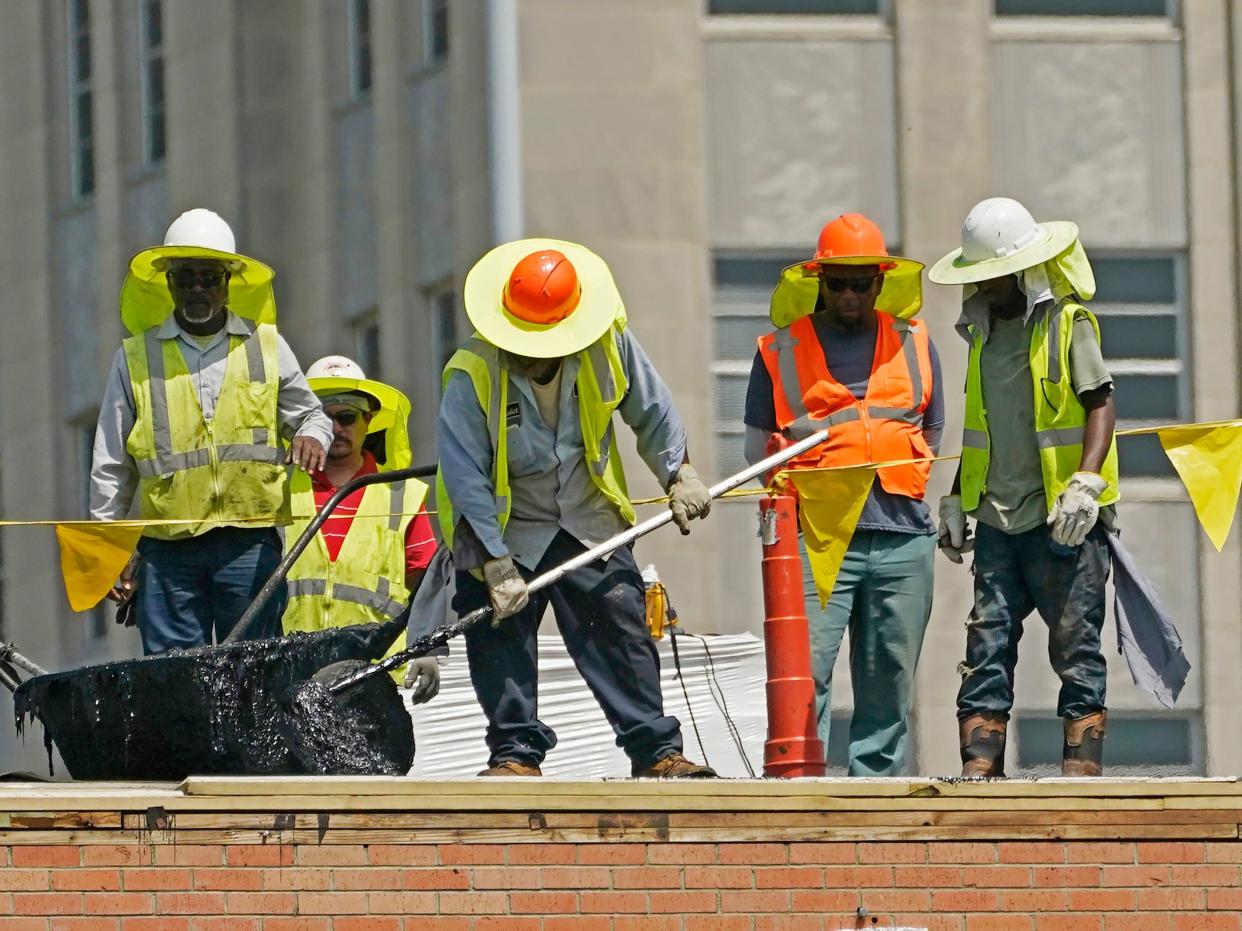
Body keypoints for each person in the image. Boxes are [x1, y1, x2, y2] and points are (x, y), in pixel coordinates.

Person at [436, 238, 714, 778]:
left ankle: (656, 752)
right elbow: (465, 476)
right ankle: (515, 754)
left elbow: (652, 409)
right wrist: (493, 563)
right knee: (498, 628)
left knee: (619, 618)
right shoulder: (471, 372)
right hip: (506, 527)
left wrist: (678, 472)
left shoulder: (606, 346)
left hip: (585, 517)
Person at [743, 213, 944, 776]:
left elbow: (930, 429)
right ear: (819, 282)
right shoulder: (779, 350)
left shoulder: (915, 342)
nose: (850, 293)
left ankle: (872, 798)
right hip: (818, 539)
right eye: (838, 282)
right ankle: (801, 788)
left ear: (881, 282)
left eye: (862, 282)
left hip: (903, 533)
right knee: (803, 676)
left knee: (890, 675)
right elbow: (759, 447)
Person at [929, 196, 1119, 777]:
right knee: (986, 643)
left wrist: (1086, 480)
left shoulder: (1067, 323)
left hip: (1064, 519)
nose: (986, 288)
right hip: (998, 519)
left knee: (1075, 646)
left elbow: (1100, 401)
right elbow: (983, 427)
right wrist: (959, 496)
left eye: (994, 277)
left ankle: (1079, 780)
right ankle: (979, 774)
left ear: (1019, 269)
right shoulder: (982, 338)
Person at [90, 208, 332, 654]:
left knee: (254, 673)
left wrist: (313, 435)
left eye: (208, 277)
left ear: (227, 283)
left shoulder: (267, 346)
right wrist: (109, 551)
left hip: (248, 542)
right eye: (186, 278)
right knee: (175, 682)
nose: (197, 289)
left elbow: (311, 415)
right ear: (168, 284)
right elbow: (111, 466)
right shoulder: (136, 359)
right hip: (168, 552)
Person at [281, 356, 440, 702]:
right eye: (324, 417)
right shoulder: (277, 491)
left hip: (376, 681)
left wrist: (429, 647)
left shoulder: (403, 494)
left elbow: (428, 584)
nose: (337, 428)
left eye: (348, 417)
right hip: (290, 677)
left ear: (368, 421)